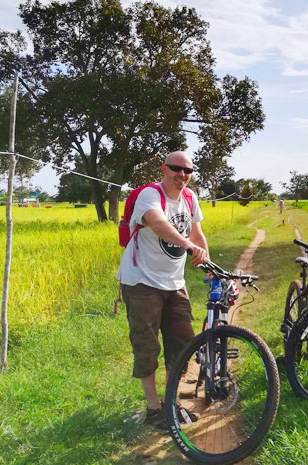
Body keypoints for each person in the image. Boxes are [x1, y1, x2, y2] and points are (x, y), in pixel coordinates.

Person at [116, 151, 210, 428]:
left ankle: (171, 403)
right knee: (146, 346)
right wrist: (189, 246)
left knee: (182, 344)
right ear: (164, 169)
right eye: (176, 168)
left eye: (187, 170)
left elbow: (197, 234)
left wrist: (208, 264)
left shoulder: (190, 198)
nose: (182, 174)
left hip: (174, 284)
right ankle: (154, 408)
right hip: (141, 282)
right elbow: (158, 224)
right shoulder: (150, 195)